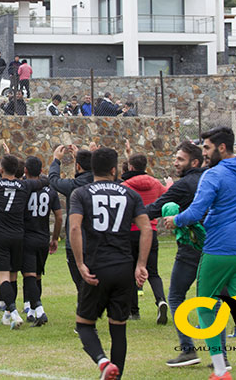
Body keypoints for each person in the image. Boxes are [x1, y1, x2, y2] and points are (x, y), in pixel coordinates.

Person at [148, 140, 236, 369]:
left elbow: (158, 207)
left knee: (178, 297)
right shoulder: (229, 176)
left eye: (180, 159)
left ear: (195, 161)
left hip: (197, 250)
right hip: (228, 250)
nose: (175, 163)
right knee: (221, 303)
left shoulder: (189, 183)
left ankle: (189, 350)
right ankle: (226, 361)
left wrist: (131, 213)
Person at [70, 147, 151, 380]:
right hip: (124, 267)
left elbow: (74, 227)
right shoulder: (130, 194)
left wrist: (80, 263)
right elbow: (146, 229)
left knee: (85, 325)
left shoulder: (81, 193)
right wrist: (141, 264)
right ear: (115, 170)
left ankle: (103, 362)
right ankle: (116, 374)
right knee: (118, 329)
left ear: (91, 168)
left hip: (97, 268)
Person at [0, 134, 49, 329]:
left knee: (4, 277)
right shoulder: (25, 185)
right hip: (18, 236)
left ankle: (14, 312)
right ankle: (8, 313)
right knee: (14, 275)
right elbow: (45, 181)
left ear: (0, 169)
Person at [120, 152, 169, 323]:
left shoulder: (124, 186)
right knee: (153, 272)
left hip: (129, 232)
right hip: (150, 231)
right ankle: (161, 300)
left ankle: (134, 311)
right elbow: (167, 197)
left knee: (129, 271)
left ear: (131, 167)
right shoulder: (155, 184)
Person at [47, 144, 94, 292]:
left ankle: (85, 307)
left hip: (76, 242)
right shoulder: (100, 183)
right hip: (98, 242)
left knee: (81, 283)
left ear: (78, 166)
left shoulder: (74, 186)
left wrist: (56, 161)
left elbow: (53, 180)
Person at [21, 156, 62, 327]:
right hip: (43, 237)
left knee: (29, 275)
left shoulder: (23, 189)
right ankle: (31, 311)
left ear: (25, 171)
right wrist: (54, 238)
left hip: (27, 236)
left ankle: (38, 310)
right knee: (37, 276)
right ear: (41, 171)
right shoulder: (50, 191)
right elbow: (59, 216)